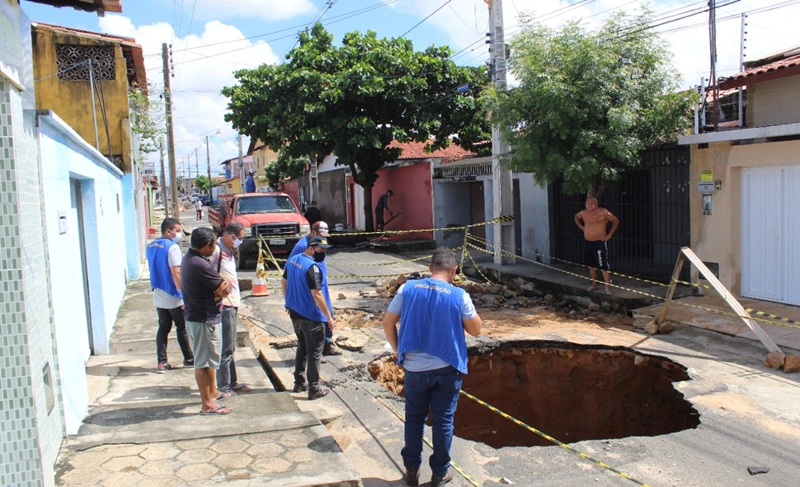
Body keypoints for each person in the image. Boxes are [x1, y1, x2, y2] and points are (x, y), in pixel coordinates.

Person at [382, 247, 482, 487]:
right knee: (443, 421)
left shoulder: (407, 289)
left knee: (414, 419)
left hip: (414, 370)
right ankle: (440, 473)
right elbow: (476, 330)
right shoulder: (459, 295)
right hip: (447, 369)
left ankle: (412, 470)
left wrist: (398, 350)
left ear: (429, 268)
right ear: (454, 271)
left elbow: (387, 322)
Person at [181, 227, 233, 415]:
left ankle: (213, 391)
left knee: (210, 360)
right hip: (202, 319)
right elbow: (224, 288)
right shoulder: (199, 264)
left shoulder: (192, 259)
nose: (214, 248)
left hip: (201, 316)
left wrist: (221, 287)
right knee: (203, 363)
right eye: (213, 244)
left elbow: (223, 284)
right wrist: (221, 288)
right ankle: (207, 404)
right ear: (206, 245)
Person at [282, 236, 336, 400]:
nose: (324, 252)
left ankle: (299, 382)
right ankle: (314, 388)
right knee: (314, 353)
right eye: (321, 249)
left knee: (302, 347)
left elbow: (283, 282)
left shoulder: (293, 261)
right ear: (311, 248)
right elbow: (317, 294)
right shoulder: (313, 268)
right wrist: (328, 317)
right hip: (312, 317)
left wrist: (288, 302)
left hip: (295, 314)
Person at [208, 221, 252, 396]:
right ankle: (223, 387)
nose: (241, 241)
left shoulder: (229, 250)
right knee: (225, 347)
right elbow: (207, 274)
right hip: (223, 304)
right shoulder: (216, 250)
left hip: (232, 303)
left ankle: (232, 382)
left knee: (231, 346)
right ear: (232, 236)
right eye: (240, 238)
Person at [146, 218, 194, 373]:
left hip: (158, 293)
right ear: (168, 231)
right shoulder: (172, 247)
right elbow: (176, 272)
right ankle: (188, 357)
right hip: (173, 294)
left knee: (163, 327)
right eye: (178, 230)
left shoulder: (151, 245)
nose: (179, 234)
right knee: (182, 328)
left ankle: (162, 362)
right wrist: (184, 294)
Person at [289, 221, 341, 356]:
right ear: (313, 233)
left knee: (327, 312)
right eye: (320, 235)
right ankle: (315, 353)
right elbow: (290, 270)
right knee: (316, 319)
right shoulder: (302, 247)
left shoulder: (320, 245)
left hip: (321, 284)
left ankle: (326, 345)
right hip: (311, 288)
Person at [574, 197, 620, 295]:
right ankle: (594, 284)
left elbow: (615, 220)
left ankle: (607, 287)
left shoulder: (603, 212)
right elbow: (576, 217)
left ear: (596, 204)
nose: (590, 205)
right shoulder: (583, 213)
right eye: (588, 203)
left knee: (603, 265)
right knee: (591, 264)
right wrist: (582, 227)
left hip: (599, 242)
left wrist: (609, 234)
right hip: (588, 241)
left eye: (592, 203)